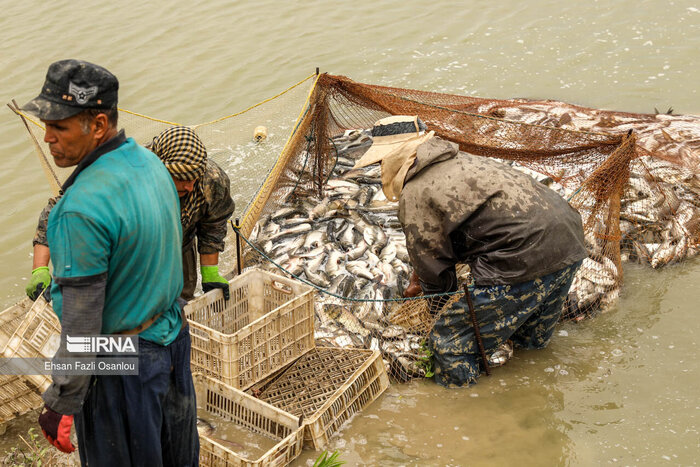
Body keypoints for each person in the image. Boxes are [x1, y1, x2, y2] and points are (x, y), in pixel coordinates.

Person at [22, 59, 199, 464]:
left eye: (60, 126)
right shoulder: (150, 164)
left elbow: (82, 328)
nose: (47, 137)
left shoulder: (79, 209)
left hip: (123, 365)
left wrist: (62, 401)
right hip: (171, 340)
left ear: (98, 125)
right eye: (46, 125)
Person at [353, 115, 587, 387]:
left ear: (396, 155)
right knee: (530, 337)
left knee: (450, 343)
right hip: (570, 240)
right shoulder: (466, 161)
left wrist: (440, 312)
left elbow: (434, 270)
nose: (381, 166)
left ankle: (464, 408)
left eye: (382, 160)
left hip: (522, 256)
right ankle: (533, 389)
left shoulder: (416, 191)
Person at [28, 127, 235, 302]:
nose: (190, 187)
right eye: (181, 179)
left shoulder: (211, 181)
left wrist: (209, 272)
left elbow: (213, 225)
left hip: (176, 248)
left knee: (178, 306)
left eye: (194, 179)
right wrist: (40, 270)